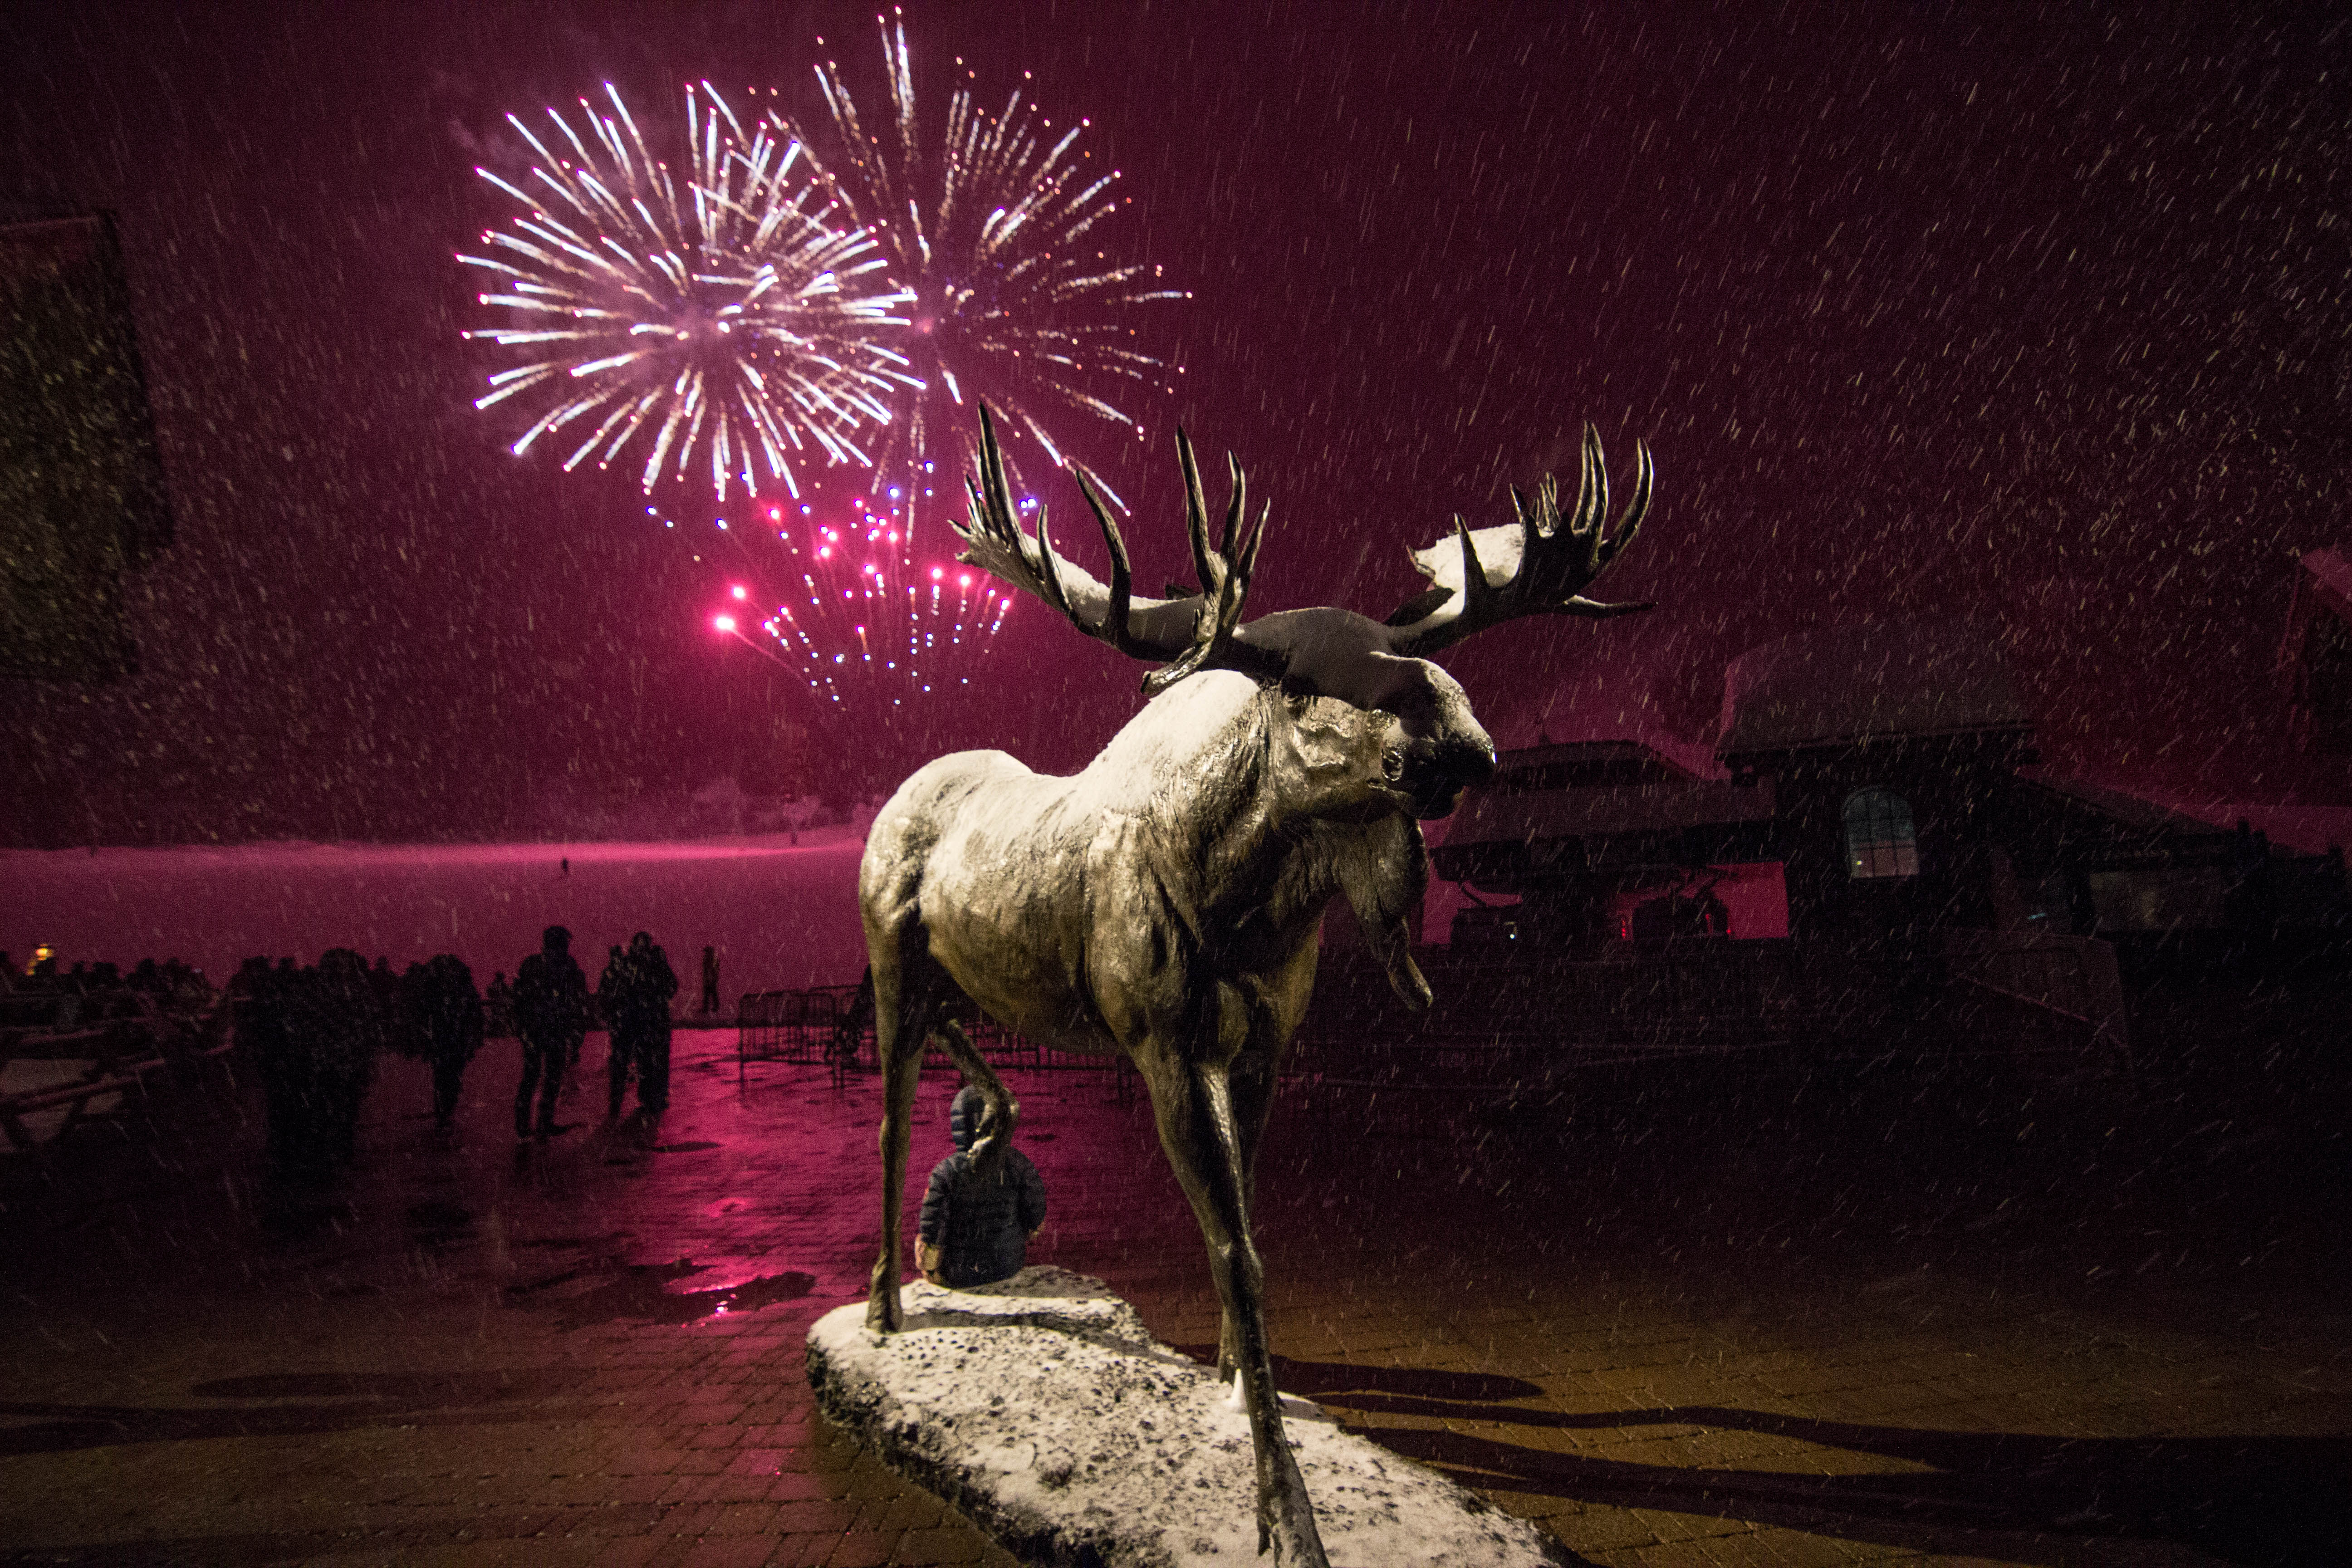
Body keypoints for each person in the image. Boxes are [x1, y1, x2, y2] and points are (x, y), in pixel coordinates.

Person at [917, 1083, 1048, 1289]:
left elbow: (932, 1229)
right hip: (1007, 1265)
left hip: (959, 1271)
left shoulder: (945, 1172)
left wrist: (930, 1267)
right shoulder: (1018, 1164)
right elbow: (1036, 1218)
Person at [513, 926, 590, 1141]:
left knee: (536, 1078)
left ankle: (528, 1126)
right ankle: (539, 1125)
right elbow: (578, 1002)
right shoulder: (564, 968)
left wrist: (524, 1028)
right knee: (545, 1079)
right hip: (549, 1030)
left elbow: (519, 1000)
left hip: (542, 1030)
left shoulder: (535, 966)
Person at [607, 931, 678, 1116]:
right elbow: (671, 987)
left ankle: (626, 1102)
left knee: (633, 1064)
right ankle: (649, 1101)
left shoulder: (629, 964)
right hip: (645, 1023)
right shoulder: (649, 964)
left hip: (636, 1022)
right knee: (647, 1063)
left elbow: (612, 991)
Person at [699, 945, 720, 1017]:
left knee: (710, 994)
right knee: (710, 994)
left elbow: (711, 971)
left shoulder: (710, 959)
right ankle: (711, 1007)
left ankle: (709, 1008)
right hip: (710, 979)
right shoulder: (712, 959)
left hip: (710, 979)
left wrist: (709, 979)